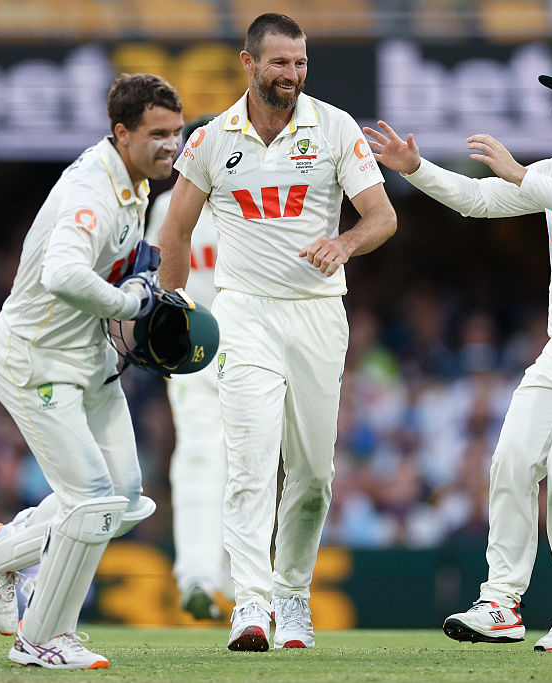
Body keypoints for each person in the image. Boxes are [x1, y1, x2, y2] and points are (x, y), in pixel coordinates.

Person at [365, 60, 552, 653]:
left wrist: (520, 175)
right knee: (511, 462)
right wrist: (418, 169)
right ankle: (501, 603)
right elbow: (479, 200)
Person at [158, 13, 397, 652]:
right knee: (251, 461)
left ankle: (293, 596)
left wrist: (344, 243)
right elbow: (176, 228)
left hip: (318, 313)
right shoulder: (211, 140)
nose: (291, 75)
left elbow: (382, 216)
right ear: (249, 63)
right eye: (280, 63)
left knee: (314, 474)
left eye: (300, 64)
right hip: (244, 314)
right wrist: (173, 306)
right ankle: (252, 605)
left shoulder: (335, 127)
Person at [0, 73, 184, 669]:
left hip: (89, 359)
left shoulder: (134, 184)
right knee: (90, 501)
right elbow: (62, 274)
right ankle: (44, 637)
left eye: (177, 131)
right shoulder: (93, 190)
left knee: (126, 498)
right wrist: (126, 304)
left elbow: (111, 272)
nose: (172, 145)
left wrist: (137, 288)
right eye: (158, 134)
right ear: (121, 133)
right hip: (33, 358)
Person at [144, 114, 231, 621]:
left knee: (200, 459)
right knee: (250, 466)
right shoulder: (249, 200)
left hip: (191, 352)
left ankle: (199, 573)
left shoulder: (165, 207)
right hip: (240, 350)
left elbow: (153, 287)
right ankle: (237, 582)